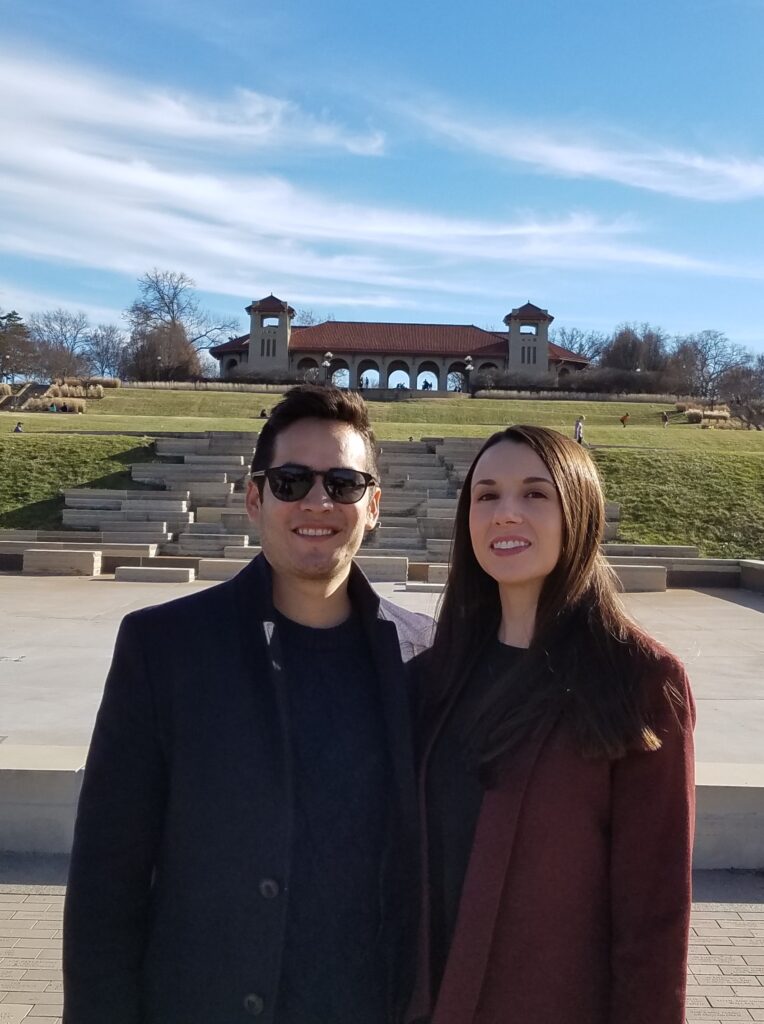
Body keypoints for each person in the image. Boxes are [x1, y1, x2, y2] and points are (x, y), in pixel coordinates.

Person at [64, 385, 433, 1024]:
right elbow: (107, 880)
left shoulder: (424, 658)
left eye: (344, 484)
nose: (318, 501)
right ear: (254, 498)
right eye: (292, 481)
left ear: (373, 506)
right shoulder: (163, 648)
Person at [408, 425, 695, 1024]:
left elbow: (654, 913)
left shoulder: (639, 680)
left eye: (536, 494)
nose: (505, 514)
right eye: (486, 495)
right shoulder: (436, 673)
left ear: (579, 513)